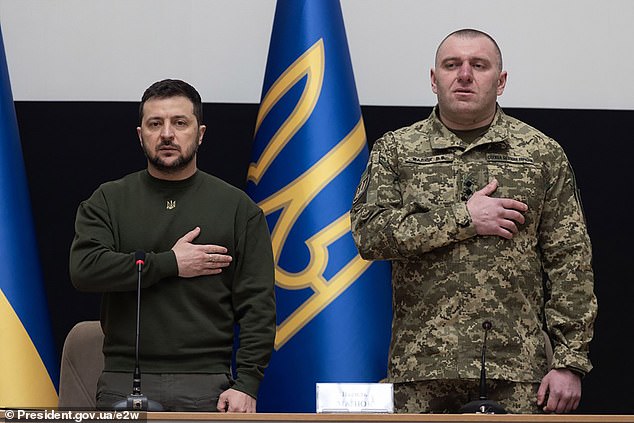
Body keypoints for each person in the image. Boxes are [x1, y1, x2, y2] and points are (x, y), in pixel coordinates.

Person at [350, 29, 597, 414]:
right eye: (452, 65)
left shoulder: (540, 154)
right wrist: (464, 217)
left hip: (515, 368)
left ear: (500, 82)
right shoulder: (397, 150)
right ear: (434, 79)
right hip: (421, 367)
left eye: (478, 66)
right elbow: (369, 235)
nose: (464, 75)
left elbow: (570, 260)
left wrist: (569, 360)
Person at [69, 79, 276, 412]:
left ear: (201, 133)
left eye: (180, 123)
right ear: (141, 135)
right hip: (124, 378)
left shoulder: (238, 209)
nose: (167, 134)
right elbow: (85, 270)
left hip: (207, 382)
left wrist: (247, 383)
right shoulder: (108, 200)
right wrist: (170, 263)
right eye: (155, 124)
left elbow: (258, 306)